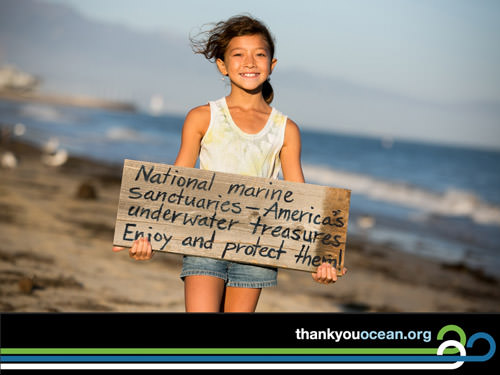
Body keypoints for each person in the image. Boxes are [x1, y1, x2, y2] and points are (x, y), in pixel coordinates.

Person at [113, 14, 347, 312]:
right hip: (201, 240)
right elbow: (175, 184)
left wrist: (319, 257)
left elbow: (298, 199)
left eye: (259, 54)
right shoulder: (202, 117)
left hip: (257, 250)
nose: (249, 62)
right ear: (222, 65)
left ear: (272, 65)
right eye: (238, 55)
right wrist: (145, 234)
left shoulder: (286, 130)